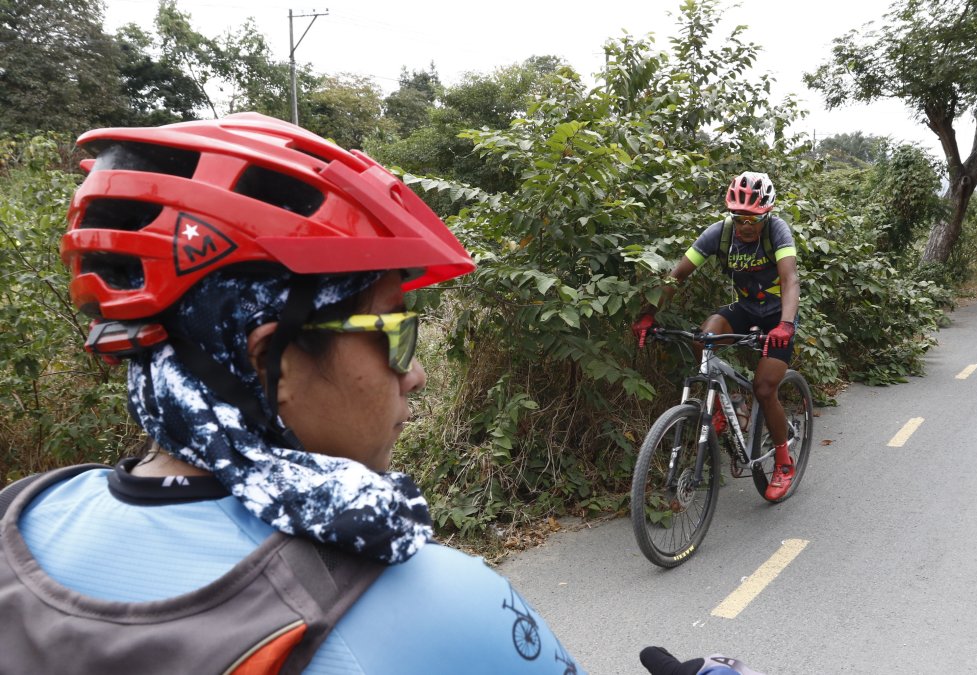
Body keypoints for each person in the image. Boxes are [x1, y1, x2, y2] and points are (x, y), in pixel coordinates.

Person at [0, 113, 580, 673]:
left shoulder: (21, 518)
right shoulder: (443, 604)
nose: (416, 373)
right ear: (267, 361)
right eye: (397, 332)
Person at [632, 171, 800, 501]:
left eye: (752, 218)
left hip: (779, 314)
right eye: (738, 218)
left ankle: (783, 462)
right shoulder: (719, 234)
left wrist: (786, 325)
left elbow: (790, 279)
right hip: (747, 308)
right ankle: (729, 404)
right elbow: (677, 276)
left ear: (765, 213)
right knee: (703, 339)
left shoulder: (777, 231)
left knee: (765, 388)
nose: (745, 225)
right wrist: (648, 315)